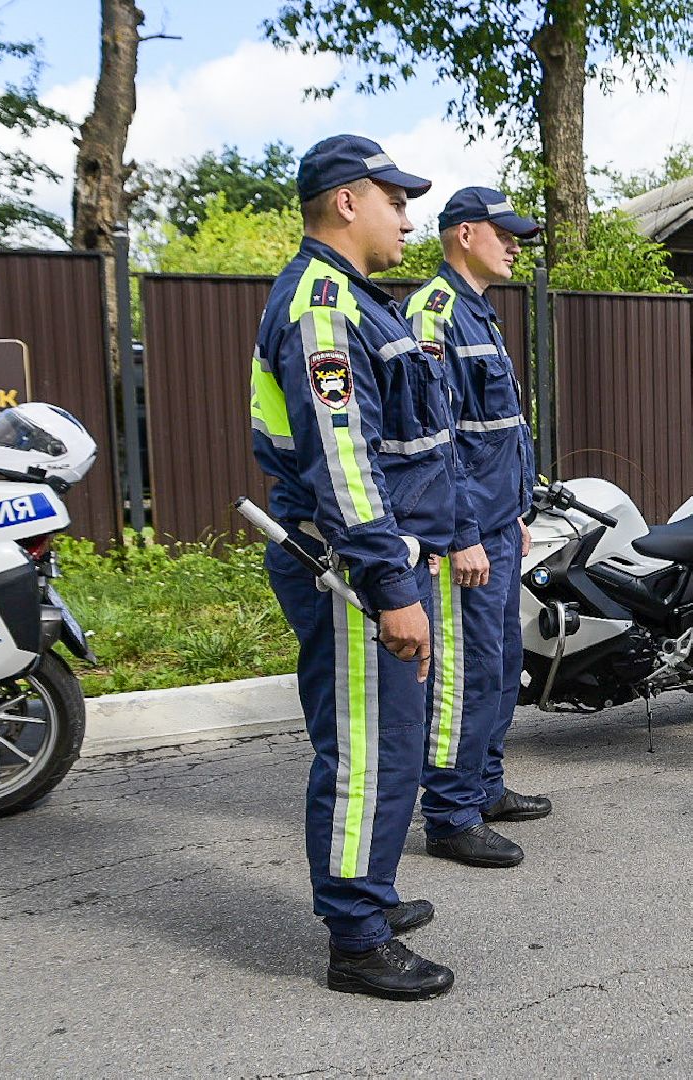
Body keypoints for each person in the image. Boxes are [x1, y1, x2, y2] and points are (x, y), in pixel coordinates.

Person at [250, 135, 455, 999]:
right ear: (346, 201)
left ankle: (367, 889)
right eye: (394, 200)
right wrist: (388, 584)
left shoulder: (353, 302)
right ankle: (356, 939)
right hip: (350, 567)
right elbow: (344, 463)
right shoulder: (326, 306)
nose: (407, 218)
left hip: (374, 559)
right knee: (367, 751)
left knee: (389, 743)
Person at [406, 187, 548, 870]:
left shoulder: (477, 313)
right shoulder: (433, 315)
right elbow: (435, 442)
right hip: (463, 534)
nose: (514, 244)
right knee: (464, 675)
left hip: (496, 524)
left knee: (501, 667)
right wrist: (460, 532)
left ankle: (484, 786)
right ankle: (449, 814)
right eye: (503, 233)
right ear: (464, 234)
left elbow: (491, 435)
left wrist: (514, 513)